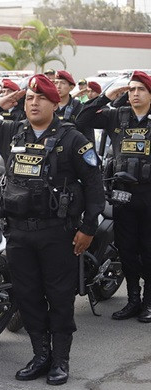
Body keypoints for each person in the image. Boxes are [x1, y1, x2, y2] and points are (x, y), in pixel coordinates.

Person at [0, 74, 104, 385]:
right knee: (27, 297)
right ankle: (40, 355)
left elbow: (94, 185)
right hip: (18, 233)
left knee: (59, 297)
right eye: (29, 98)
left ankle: (60, 360)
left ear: (55, 104)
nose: (34, 102)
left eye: (41, 98)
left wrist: (89, 227)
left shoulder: (72, 139)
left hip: (57, 233)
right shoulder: (11, 131)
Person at [75, 70, 151, 323]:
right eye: (131, 89)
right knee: (127, 250)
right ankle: (133, 300)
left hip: (149, 195)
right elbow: (81, 120)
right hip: (123, 194)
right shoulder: (118, 116)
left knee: (148, 251)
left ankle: (149, 302)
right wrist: (106, 96)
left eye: (140, 89)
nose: (135, 94)